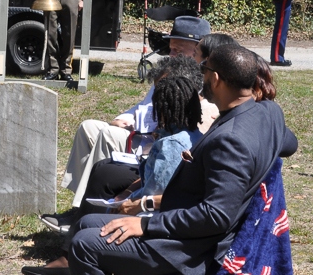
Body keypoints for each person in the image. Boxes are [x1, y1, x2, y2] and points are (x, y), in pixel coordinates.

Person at [68, 44, 294, 275]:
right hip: (183, 220)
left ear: (215, 78)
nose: (201, 75)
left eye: (204, 69)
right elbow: (290, 144)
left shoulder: (230, 141)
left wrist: (146, 225)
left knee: (84, 245)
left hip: (189, 245)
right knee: (85, 223)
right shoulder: (269, 112)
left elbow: (216, 216)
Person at [21, 60, 205, 275]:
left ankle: (84, 267)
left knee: (86, 237)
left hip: (154, 223)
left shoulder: (171, 145)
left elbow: (156, 192)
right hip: (156, 212)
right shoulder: (187, 136)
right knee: (88, 217)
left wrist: (129, 203)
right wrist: (127, 193)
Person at [46, 16, 210, 228]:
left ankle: (83, 213)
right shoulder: (168, 71)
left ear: (197, 50)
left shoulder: (194, 83)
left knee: (107, 136)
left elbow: (178, 126)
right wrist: (123, 118)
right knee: (89, 127)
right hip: (139, 134)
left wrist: (140, 126)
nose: (171, 54)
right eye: (170, 49)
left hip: (151, 143)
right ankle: (82, 203)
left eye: (178, 50)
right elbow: (143, 106)